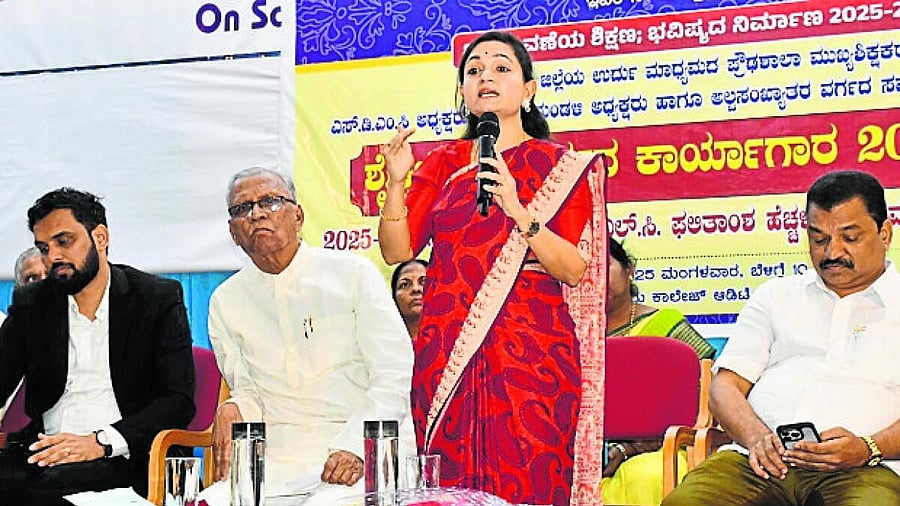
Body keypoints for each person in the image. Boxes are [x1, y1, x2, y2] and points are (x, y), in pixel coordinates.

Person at [377, 31, 605, 505]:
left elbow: (573, 268)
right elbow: (398, 251)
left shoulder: (560, 166)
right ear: (463, 92)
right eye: (474, 70)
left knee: (533, 476)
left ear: (529, 87)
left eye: (502, 68)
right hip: (448, 351)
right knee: (451, 485)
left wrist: (518, 209)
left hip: (534, 358)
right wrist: (397, 182)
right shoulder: (443, 164)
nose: (486, 78)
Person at [662, 170, 900, 506]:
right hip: (757, 462)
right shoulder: (776, 296)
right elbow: (725, 387)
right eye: (818, 239)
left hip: (866, 467)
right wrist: (757, 438)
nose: (832, 252)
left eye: (850, 237)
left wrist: (868, 447)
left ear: (884, 234)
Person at [208, 168, 414, 496]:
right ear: (233, 232)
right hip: (279, 459)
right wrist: (233, 407)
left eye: (270, 202)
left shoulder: (352, 274)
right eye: (242, 208)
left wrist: (355, 447)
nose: (257, 214)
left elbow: (394, 376)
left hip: (362, 446)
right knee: (208, 502)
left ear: (298, 215)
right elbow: (248, 391)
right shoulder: (226, 300)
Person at [0, 188, 195, 505]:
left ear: (100, 237)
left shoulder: (155, 298)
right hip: (45, 455)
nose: (54, 257)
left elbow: (178, 401)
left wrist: (101, 442)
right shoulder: (32, 304)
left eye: (64, 242)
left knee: (43, 494)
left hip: (128, 457)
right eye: (44, 248)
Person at [602, 237, 715, 505]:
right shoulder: (569, 334)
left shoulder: (667, 326)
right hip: (589, 454)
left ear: (629, 269)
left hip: (663, 448)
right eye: (586, 268)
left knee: (644, 475)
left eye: (603, 266)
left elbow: (709, 396)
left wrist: (629, 448)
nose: (595, 277)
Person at [390, 259, 427, 339]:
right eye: (405, 284)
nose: (416, 289)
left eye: (424, 282)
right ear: (394, 298)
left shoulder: (457, 341)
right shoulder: (383, 344)